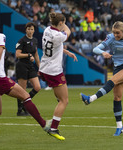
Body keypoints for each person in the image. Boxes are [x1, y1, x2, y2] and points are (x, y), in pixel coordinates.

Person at [39, 12, 77, 140]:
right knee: (64, 100)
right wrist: (65, 25)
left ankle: (56, 114)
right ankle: (54, 128)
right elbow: (68, 32)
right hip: (54, 70)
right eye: (62, 23)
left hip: (44, 68)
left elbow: (56, 46)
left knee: (59, 97)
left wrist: (67, 52)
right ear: (60, 23)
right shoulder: (58, 35)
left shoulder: (47, 30)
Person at [15, 22, 41, 116]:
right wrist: (28, 55)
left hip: (30, 66)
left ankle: (25, 105)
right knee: (22, 89)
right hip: (22, 65)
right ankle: (19, 110)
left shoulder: (35, 40)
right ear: (26, 30)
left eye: (32, 29)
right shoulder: (21, 41)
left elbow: (36, 55)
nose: (30, 31)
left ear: (34, 30)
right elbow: (17, 55)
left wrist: (40, 67)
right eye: (28, 29)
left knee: (37, 87)